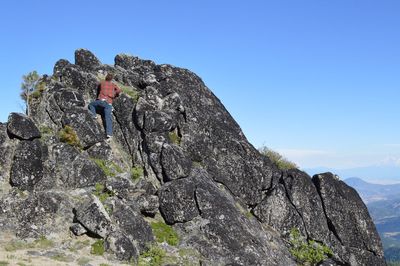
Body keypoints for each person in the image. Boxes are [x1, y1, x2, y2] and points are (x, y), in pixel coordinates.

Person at [88, 73, 121, 139]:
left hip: (101, 101)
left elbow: (99, 87)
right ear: (111, 79)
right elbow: (119, 90)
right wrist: (114, 94)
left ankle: (94, 116)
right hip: (108, 103)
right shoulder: (113, 85)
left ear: (106, 78)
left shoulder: (102, 83)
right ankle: (109, 134)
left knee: (91, 104)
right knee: (108, 118)